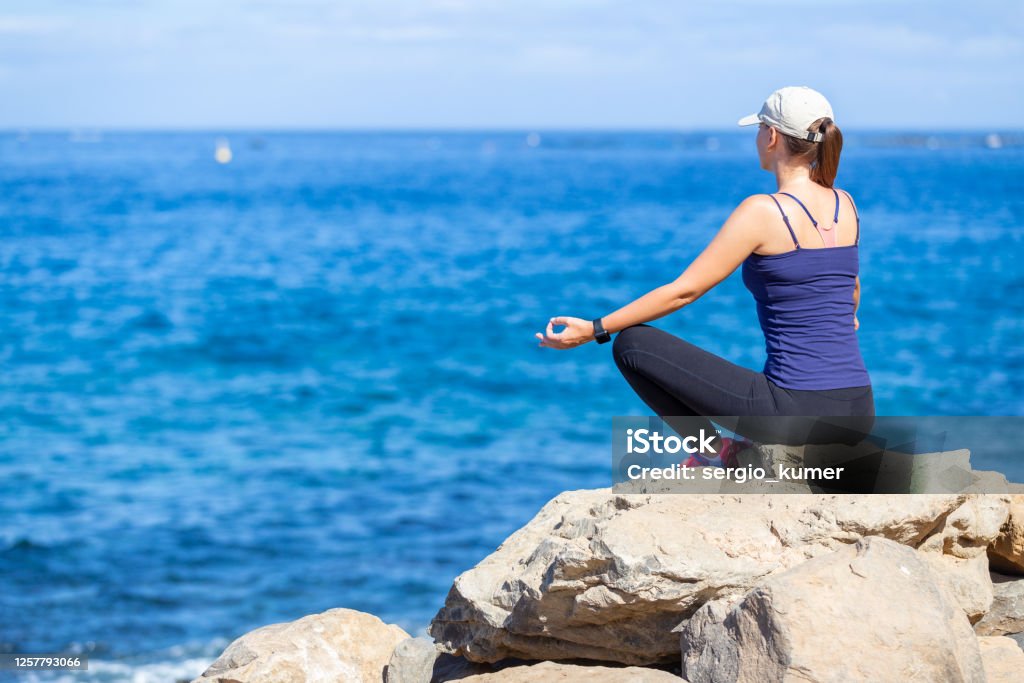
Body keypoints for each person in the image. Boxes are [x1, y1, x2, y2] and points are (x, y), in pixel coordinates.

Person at [535, 86, 875, 463]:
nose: (757, 138)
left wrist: (595, 328)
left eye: (759, 128)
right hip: (859, 410)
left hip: (795, 416)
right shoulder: (845, 204)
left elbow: (685, 291)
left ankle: (718, 453)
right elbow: (851, 289)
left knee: (630, 345)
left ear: (773, 136)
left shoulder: (763, 211)